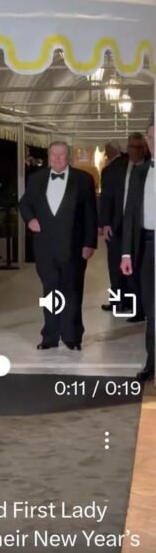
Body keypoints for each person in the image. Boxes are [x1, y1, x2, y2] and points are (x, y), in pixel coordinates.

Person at [19, 140, 97, 351]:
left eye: (61, 155)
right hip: (45, 248)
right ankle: (50, 336)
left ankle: (72, 337)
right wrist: (30, 219)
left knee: (72, 291)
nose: (57, 159)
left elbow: (91, 213)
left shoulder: (83, 180)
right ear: (48, 156)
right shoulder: (36, 179)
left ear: (69, 157)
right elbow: (24, 204)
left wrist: (90, 243)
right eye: (53, 155)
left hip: (74, 247)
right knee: (49, 292)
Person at [121, 122, 155, 383]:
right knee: (151, 309)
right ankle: (152, 362)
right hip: (145, 246)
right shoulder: (140, 172)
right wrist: (126, 254)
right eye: (152, 137)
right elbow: (130, 216)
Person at [99, 133, 146, 318]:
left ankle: (137, 307)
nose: (136, 151)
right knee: (114, 268)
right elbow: (106, 198)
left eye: (139, 147)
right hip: (117, 225)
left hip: (141, 226)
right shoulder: (115, 169)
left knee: (137, 269)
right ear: (127, 148)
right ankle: (117, 302)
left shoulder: (150, 167)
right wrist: (105, 223)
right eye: (132, 147)